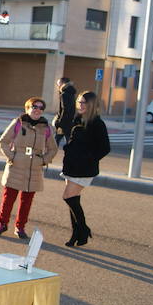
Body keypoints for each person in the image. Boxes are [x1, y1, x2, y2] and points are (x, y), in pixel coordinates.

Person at [0, 97, 58, 240]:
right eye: (35, 106)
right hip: (16, 166)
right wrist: (12, 156)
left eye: (41, 108)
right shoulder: (18, 123)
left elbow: (53, 148)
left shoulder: (46, 128)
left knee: (26, 201)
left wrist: (43, 160)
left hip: (34, 169)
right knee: (8, 198)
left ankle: (20, 227)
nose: (37, 110)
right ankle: (2, 224)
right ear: (27, 108)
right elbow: (3, 142)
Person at [61, 91, 110, 247]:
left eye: (83, 103)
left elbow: (105, 148)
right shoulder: (78, 119)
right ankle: (77, 234)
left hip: (84, 168)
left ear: (91, 105)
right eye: (79, 102)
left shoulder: (97, 123)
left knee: (68, 197)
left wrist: (88, 158)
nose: (80, 105)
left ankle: (83, 229)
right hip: (71, 166)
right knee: (73, 200)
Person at [53, 77, 76, 148]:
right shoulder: (71, 93)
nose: (57, 86)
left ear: (63, 83)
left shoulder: (64, 94)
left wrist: (60, 122)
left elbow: (65, 109)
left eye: (58, 84)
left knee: (55, 141)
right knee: (67, 140)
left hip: (63, 122)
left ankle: (49, 156)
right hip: (69, 121)